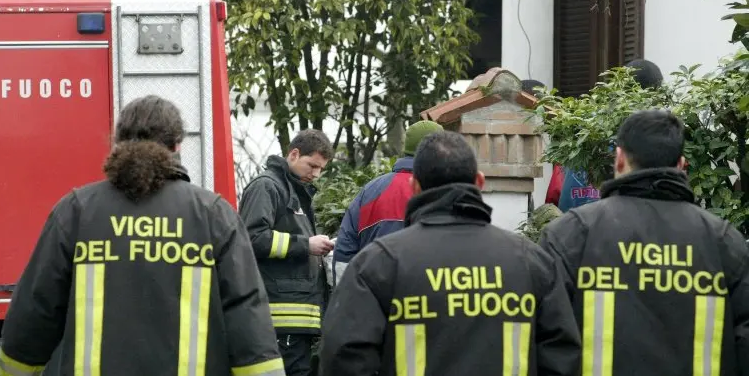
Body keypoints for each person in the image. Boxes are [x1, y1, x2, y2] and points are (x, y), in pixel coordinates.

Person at [0, 95, 284, 376]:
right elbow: (246, 315)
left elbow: (36, 311)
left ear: (118, 142)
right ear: (177, 145)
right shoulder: (214, 215)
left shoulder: (76, 211)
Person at [320, 131, 581, 375]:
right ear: (479, 181)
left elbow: (343, 358)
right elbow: (562, 358)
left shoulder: (379, 264)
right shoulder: (531, 262)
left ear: (414, 186)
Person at [540, 109, 749, 374]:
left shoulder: (570, 235)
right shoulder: (725, 242)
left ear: (618, 159)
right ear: (682, 165)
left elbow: (546, 346)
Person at [238, 129, 335, 376]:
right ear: (293, 154)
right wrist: (306, 245)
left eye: (321, 168)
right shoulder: (267, 187)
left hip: (294, 320)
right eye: (312, 165)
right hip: (279, 320)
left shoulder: (293, 190)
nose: (316, 174)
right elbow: (251, 238)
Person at [331, 120, 444, 286]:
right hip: (430, 298)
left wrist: (347, 302)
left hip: (375, 300)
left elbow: (344, 253)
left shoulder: (370, 191)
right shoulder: (445, 190)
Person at [552, 59, 665, 211]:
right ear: (653, 95)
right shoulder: (649, 138)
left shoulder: (585, 132)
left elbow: (561, 196)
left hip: (577, 223)